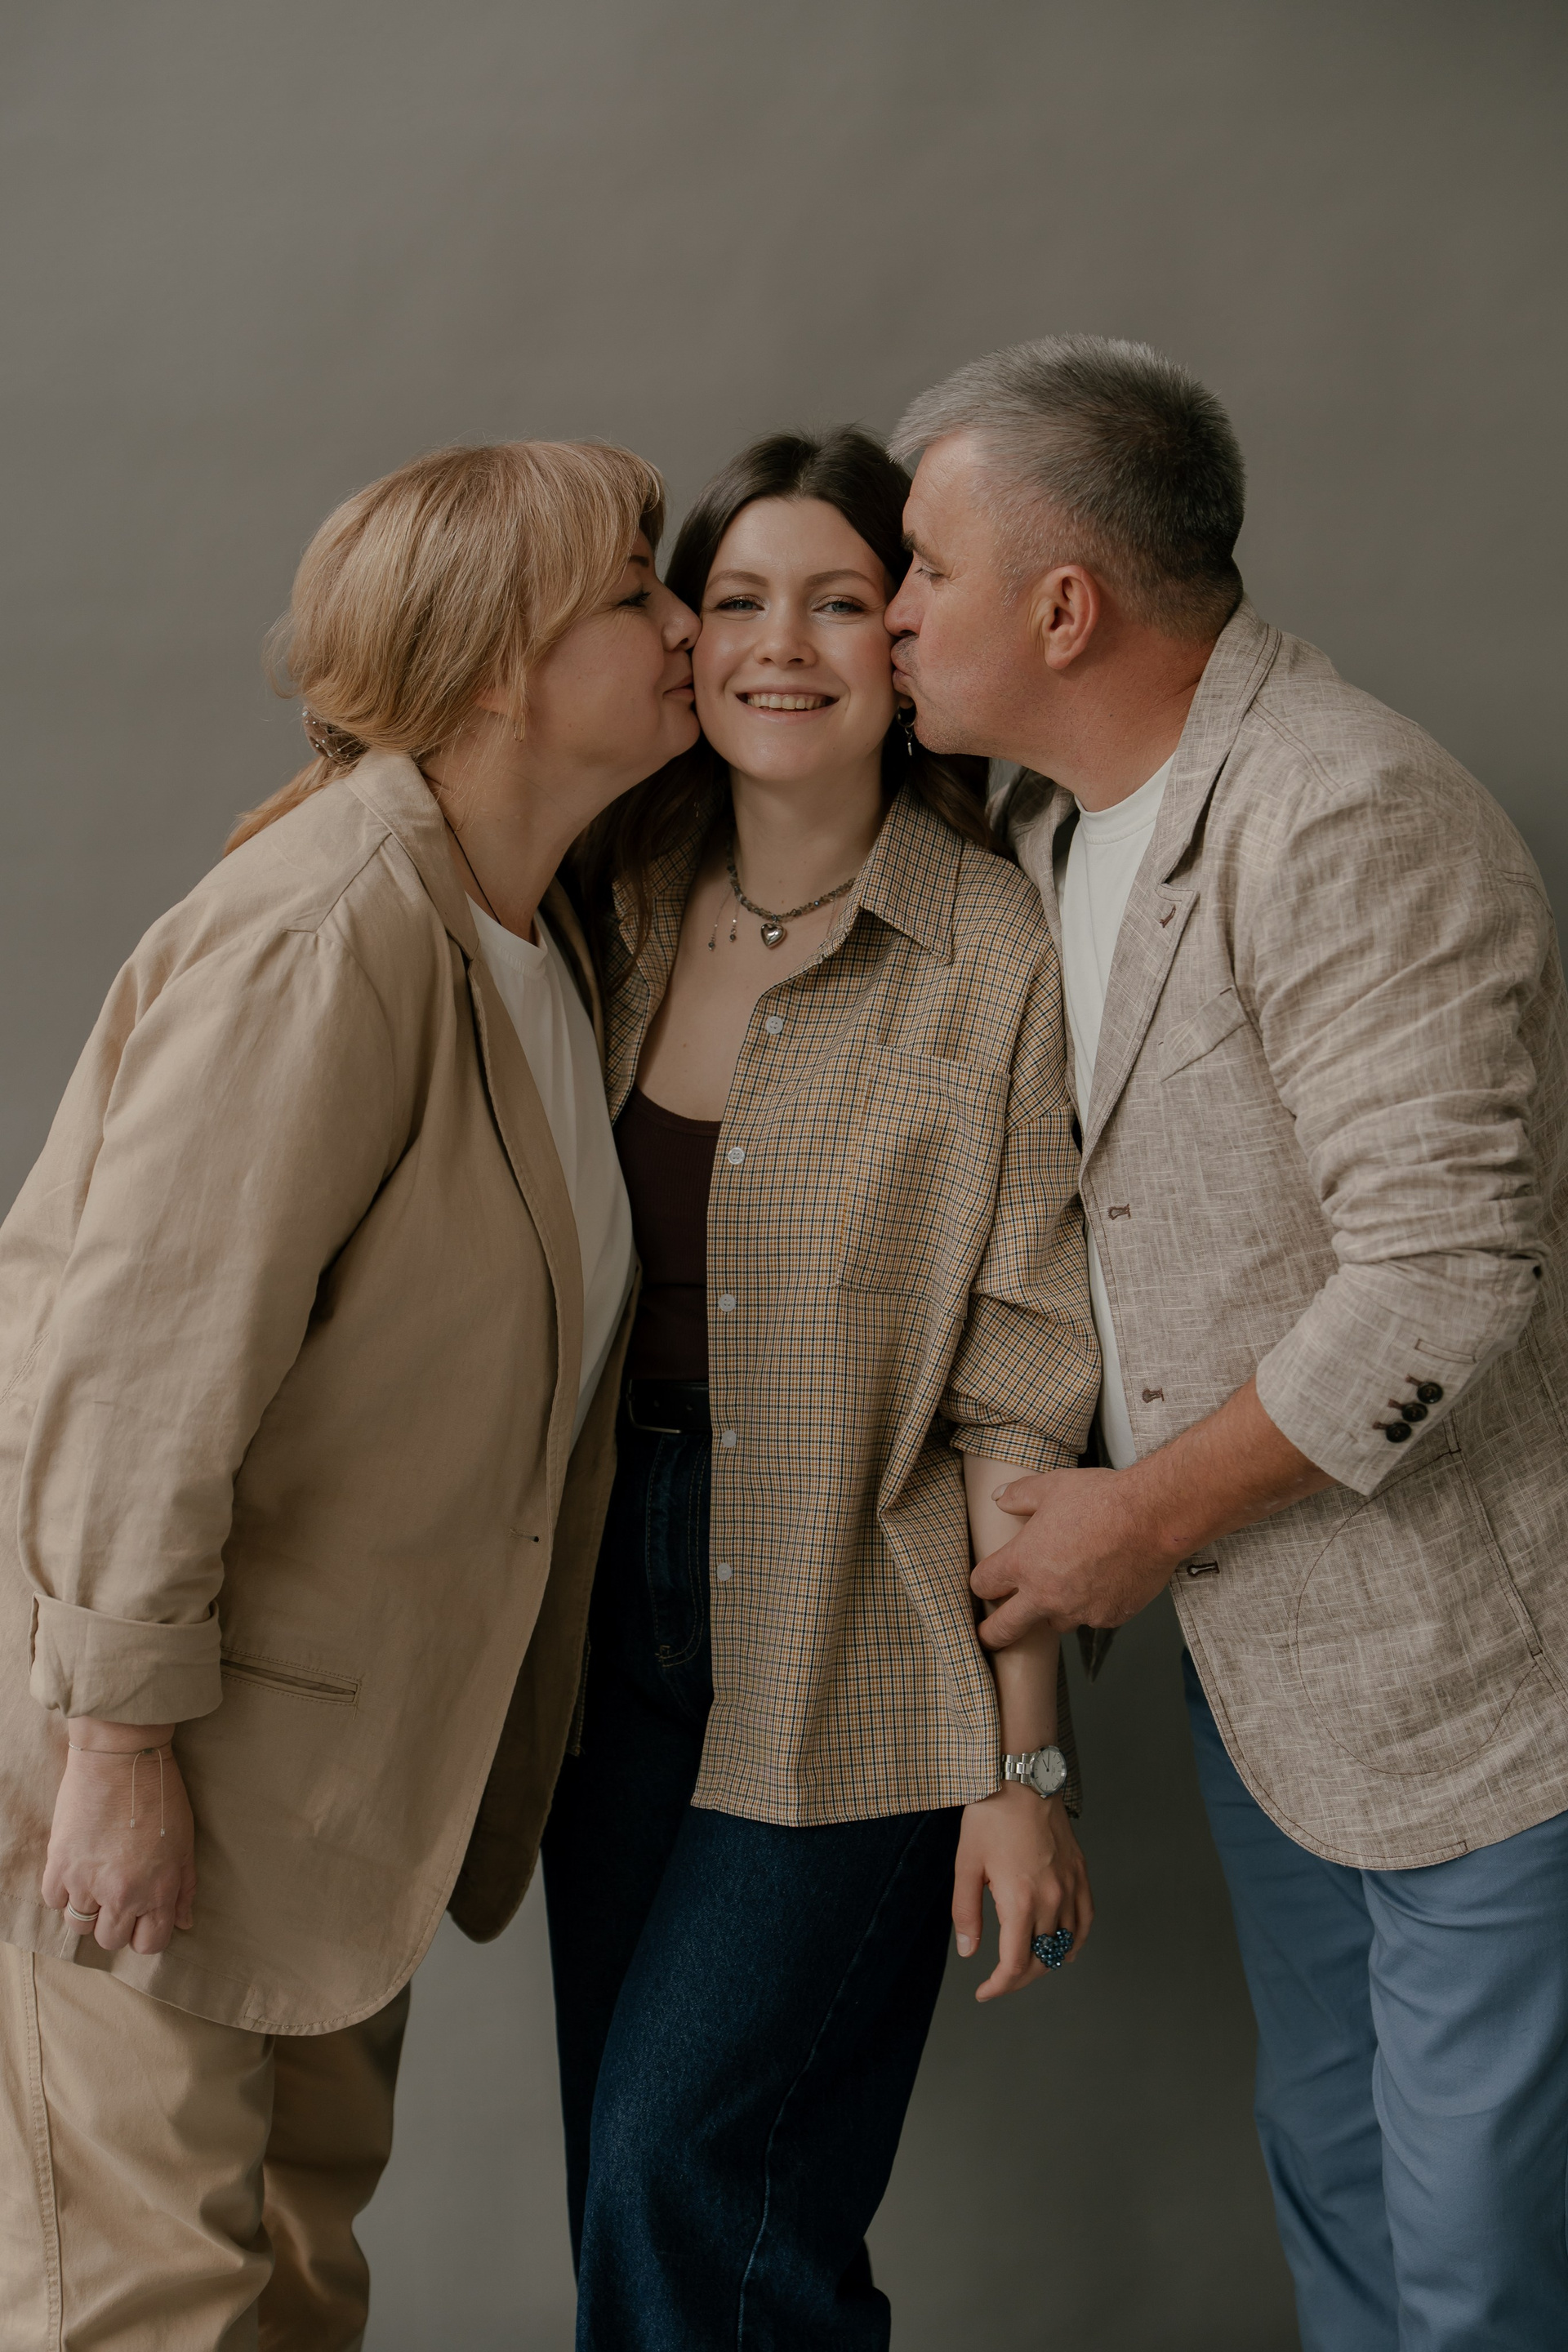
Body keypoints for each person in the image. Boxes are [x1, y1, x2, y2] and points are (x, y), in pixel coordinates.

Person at [885, 334, 1568, 2350]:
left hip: (1480, 1698)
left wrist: (1140, 1522)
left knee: (1479, 2264)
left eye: (924, 567)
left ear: (1063, 607)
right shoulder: (1055, 833)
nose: (895, 608)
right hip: (1271, 1694)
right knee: (1341, 2192)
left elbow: (1448, 1271)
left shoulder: (1344, 808)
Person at [0, 438, 700, 2349]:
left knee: (297, 2279)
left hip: (316, 1786)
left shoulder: (532, 936)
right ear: (495, 671)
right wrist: (116, 1757)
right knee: (141, 2305)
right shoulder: (332, 931)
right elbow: (138, 1373)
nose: (684, 623)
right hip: (150, 1751)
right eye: (634, 594)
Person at [542, 427, 1100, 2350]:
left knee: (681, 2175)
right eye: (739, 599)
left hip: (861, 1629)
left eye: (842, 601)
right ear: (686, 640)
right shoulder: (610, 899)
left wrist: (1023, 1768)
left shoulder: (992, 951)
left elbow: (1026, 1389)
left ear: (907, 641)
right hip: (598, 1617)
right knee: (646, 2196)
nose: (783, 645)